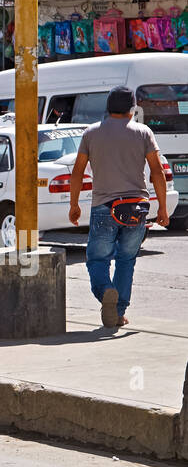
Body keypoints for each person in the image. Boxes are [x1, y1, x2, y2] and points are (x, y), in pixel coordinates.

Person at [68, 85, 170, 329]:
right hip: (137, 207)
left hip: (104, 206)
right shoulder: (143, 132)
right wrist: (163, 208)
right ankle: (119, 312)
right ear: (132, 108)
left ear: (108, 107)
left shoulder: (91, 133)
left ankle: (106, 292)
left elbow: (78, 171)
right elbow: (157, 171)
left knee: (97, 259)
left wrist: (74, 205)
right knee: (127, 260)